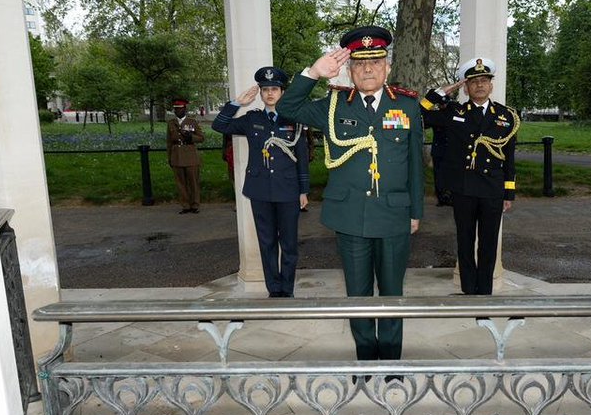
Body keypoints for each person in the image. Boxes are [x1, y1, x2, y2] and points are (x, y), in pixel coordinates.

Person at [277, 26, 424, 362]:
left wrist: (415, 211)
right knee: (357, 293)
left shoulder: (407, 105)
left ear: (387, 67)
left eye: (376, 62)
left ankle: (391, 360)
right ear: (349, 69)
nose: (368, 69)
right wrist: (313, 73)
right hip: (350, 216)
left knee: (392, 293)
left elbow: (415, 162)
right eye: (359, 63)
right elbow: (287, 108)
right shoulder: (333, 104)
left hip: (393, 214)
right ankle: (366, 358)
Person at [420, 57, 520, 295]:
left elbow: (509, 157)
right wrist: (439, 94)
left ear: (491, 85)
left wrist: (508, 193)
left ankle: (484, 292)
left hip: (492, 190)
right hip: (463, 188)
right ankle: (468, 290)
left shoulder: (506, 116)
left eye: (484, 80)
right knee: (464, 241)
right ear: (465, 88)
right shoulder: (453, 112)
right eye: (474, 81)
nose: (480, 85)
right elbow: (418, 116)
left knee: (488, 244)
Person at [212, 66, 310, 298]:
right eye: (265, 89)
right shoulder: (252, 119)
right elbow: (219, 126)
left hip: (288, 190)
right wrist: (237, 103)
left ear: (282, 92)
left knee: (289, 245)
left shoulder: (294, 119)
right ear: (261, 93)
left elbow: (302, 157)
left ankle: (287, 290)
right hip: (260, 190)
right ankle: (274, 290)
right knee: (267, 243)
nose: (270, 93)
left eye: (274, 89)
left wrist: (303, 190)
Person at [166, 97, 205, 214]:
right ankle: (185, 205)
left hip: (190, 156)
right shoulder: (171, 123)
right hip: (177, 156)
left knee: (193, 182)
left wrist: (191, 137)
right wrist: (170, 157)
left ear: (185, 109)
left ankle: (195, 204)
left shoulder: (192, 122)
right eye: (175, 109)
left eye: (179, 109)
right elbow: (169, 142)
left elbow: (201, 138)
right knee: (181, 183)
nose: (177, 111)